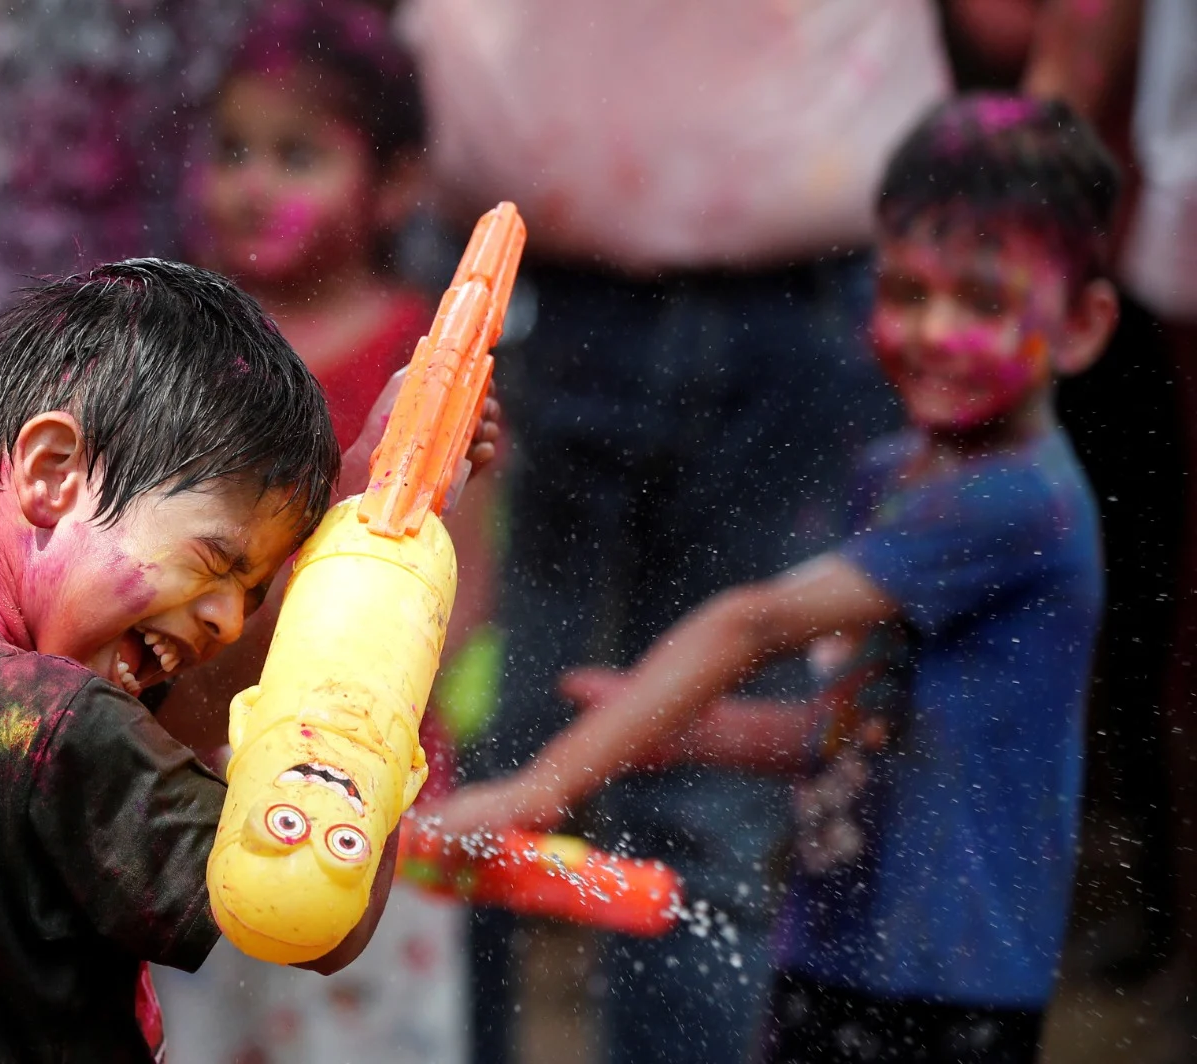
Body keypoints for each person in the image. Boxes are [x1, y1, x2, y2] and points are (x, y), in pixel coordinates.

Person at [434, 95, 1120, 1064]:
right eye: (906, 291)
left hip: (949, 978)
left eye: (983, 303)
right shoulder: (892, 473)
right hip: (840, 947)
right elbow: (867, 726)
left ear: (1083, 325)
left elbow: (753, 623)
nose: (933, 330)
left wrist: (538, 788)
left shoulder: (1014, 499)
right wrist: (699, 730)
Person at [397, 3, 947, 1059]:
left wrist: (554, 779)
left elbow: (753, 635)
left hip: (790, 284)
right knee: (456, 770)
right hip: (525, 280)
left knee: (669, 813)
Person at [0, 258, 498, 1062]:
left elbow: (181, 713)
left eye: (252, 590)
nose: (228, 620)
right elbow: (319, 917)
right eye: (216, 562)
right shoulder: (61, 729)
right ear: (52, 472)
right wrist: (377, 627)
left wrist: (359, 505)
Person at [154, 5, 477, 1059]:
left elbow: (460, 575)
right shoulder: (179, 341)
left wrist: (407, 713)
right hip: (198, 743)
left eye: (299, 157)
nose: (255, 183)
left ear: (395, 184)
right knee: (199, 1017)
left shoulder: (420, 354)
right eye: (234, 150)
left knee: (354, 1018)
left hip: (354, 768)